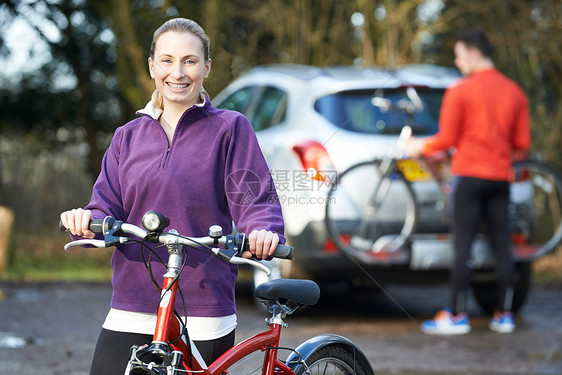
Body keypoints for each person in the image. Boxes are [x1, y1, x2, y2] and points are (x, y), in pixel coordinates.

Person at [60, 18, 285, 374]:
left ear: (206, 67)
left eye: (190, 61)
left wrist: (262, 231)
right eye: (166, 60)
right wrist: (85, 221)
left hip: (203, 299)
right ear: (152, 66)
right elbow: (105, 206)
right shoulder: (127, 136)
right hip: (134, 296)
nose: (177, 72)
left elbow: (255, 200)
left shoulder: (230, 128)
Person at [405, 29, 531, 335]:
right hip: (500, 179)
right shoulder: (514, 91)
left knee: (462, 246)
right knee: (502, 245)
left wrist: (418, 146)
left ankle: (457, 316)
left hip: (469, 176)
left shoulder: (460, 90)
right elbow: (522, 142)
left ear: (474, 53)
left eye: (459, 55)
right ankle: (504, 316)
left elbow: (446, 139)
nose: (457, 62)